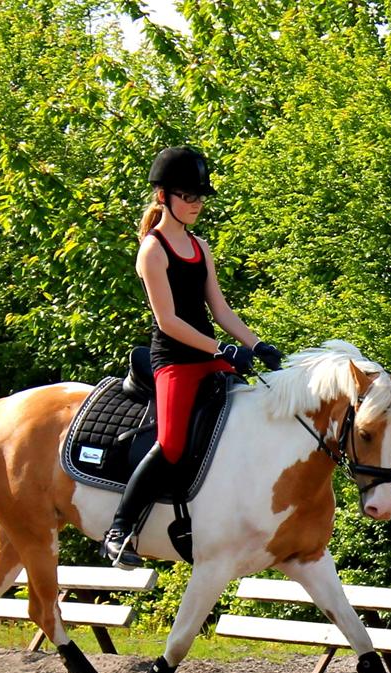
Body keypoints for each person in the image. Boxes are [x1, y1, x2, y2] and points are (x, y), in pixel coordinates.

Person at [101, 146, 283, 568]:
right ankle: (119, 529)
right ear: (163, 196)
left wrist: (256, 344)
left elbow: (220, 311)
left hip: (209, 355)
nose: (197, 203)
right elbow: (168, 322)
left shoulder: (200, 246)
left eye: (201, 196)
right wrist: (222, 349)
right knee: (171, 444)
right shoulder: (153, 249)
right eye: (188, 196)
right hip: (175, 362)